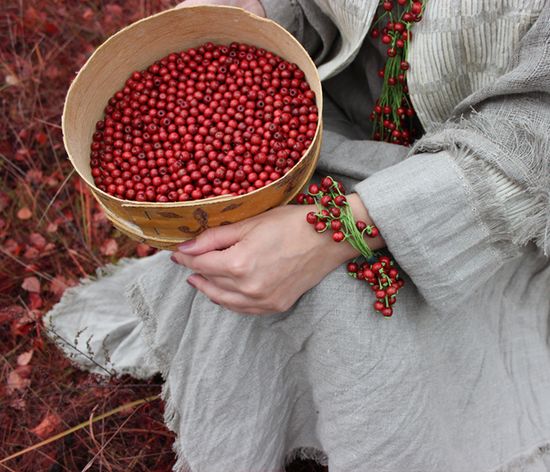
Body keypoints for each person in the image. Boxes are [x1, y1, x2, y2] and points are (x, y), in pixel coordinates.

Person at [45, 0, 550, 470]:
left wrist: (339, 230)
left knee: (346, 303)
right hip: (338, 126)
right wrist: (256, 12)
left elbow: (534, 134)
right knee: (236, 249)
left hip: (491, 191)